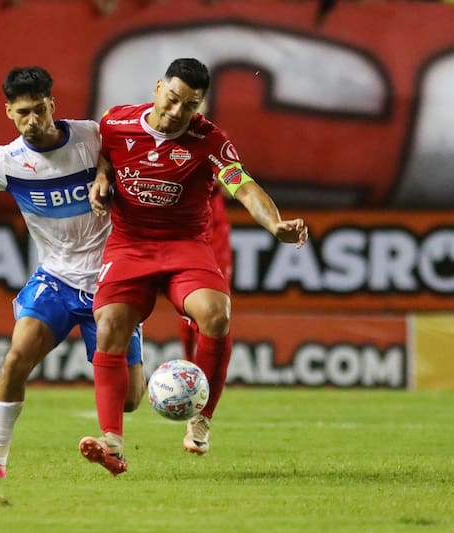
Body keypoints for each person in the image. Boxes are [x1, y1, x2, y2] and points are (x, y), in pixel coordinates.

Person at [0, 66, 146, 480]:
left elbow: (132, 148)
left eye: (38, 110)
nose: (32, 121)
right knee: (16, 359)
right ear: (8, 113)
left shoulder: (91, 137)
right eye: (22, 113)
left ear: (53, 104)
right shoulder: (6, 162)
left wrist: (106, 173)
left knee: (130, 401)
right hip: (54, 280)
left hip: (110, 280)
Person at [81, 58, 308, 476]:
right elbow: (105, 156)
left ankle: (200, 418)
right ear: (157, 88)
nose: (176, 113)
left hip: (185, 246)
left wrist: (274, 222)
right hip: (130, 245)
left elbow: (244, 186)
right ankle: (111, 442)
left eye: (189, 106)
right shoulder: (115, 123)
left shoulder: (210, 141)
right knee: (109, 323)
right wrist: (101, 177)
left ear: (199, 106)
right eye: (171, 100)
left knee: (215, 314)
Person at [177, 183, 232, 361]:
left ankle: (209, 370)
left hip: (217, 240)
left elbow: (233, 188)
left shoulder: (215, 156)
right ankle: (189, 362)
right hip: (191, 237)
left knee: (219, 307)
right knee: (188, 305)